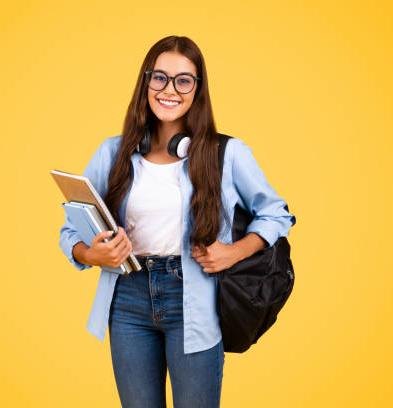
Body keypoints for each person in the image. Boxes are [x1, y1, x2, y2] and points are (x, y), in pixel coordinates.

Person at [59, 35, 296, 408]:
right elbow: (71, 228)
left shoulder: (227, 153)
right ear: (146, 82)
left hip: (193, 299)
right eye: (160, 78)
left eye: (183, 80)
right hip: (127, 301)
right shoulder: (112, 153)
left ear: (197, 89)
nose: (170, 89)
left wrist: (233, 252)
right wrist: (92, 254)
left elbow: (276, 214)